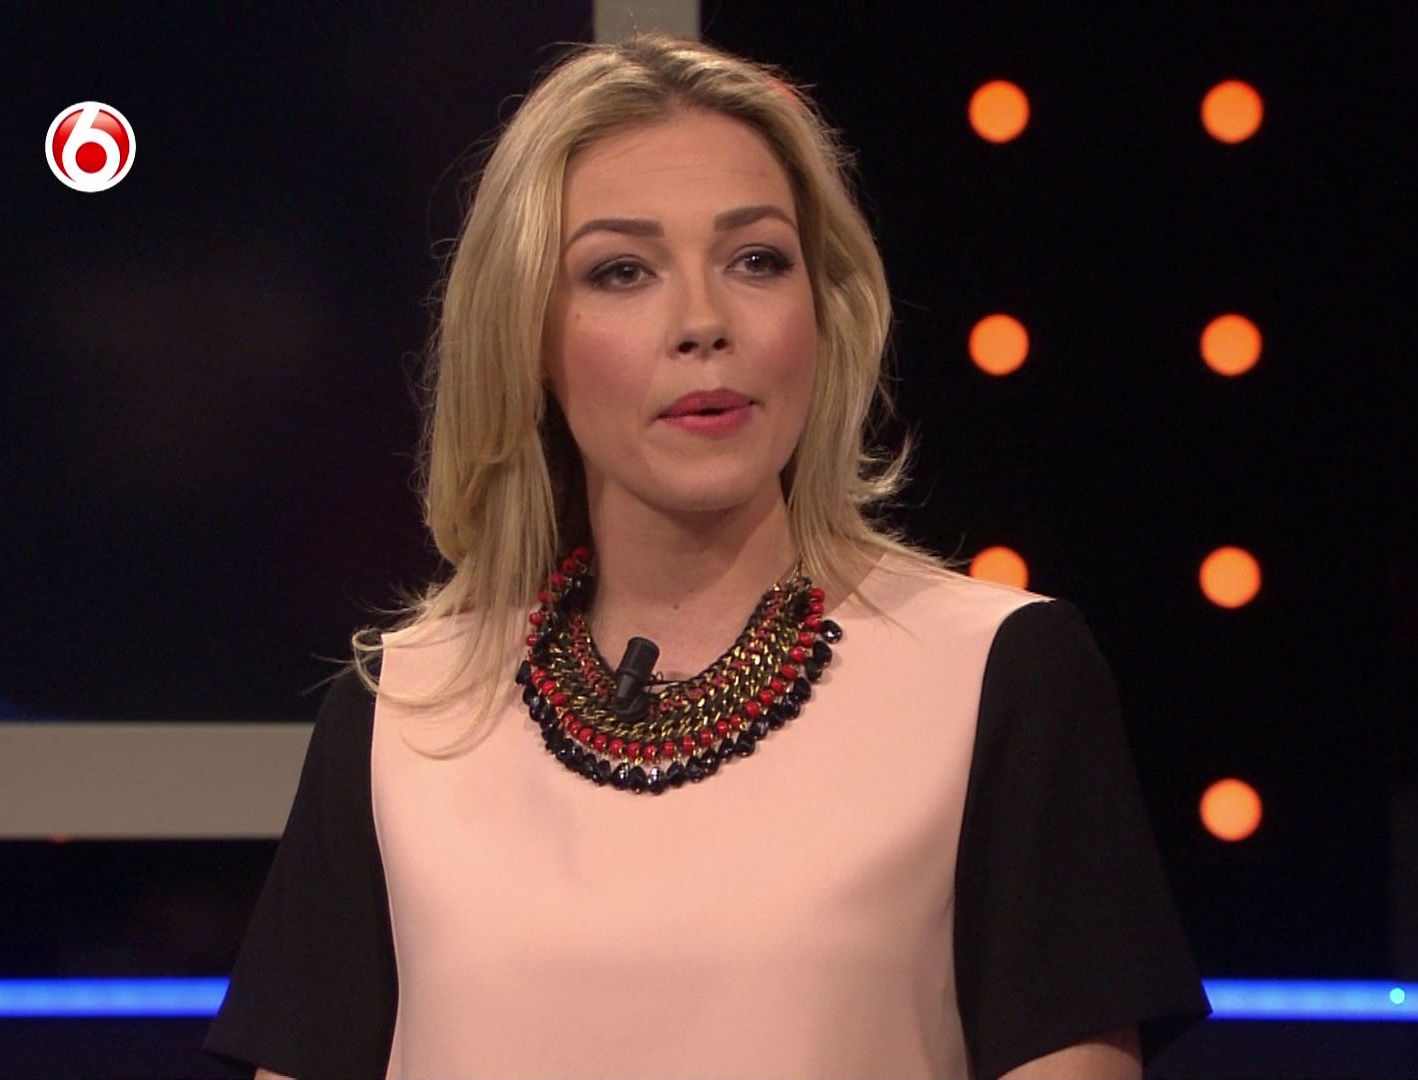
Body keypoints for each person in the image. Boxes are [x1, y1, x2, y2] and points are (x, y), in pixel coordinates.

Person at [203, 31, 1210, 1080]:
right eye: (622, 271)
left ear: (821, 311)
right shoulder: (402, 717)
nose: (702, 322)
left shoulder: (999, 677)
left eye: (756, 260)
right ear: (528, 336)